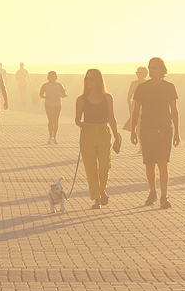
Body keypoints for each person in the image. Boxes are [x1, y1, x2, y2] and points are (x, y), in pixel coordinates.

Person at [129, 57, 180, 208]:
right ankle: (153, 192)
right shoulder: (142, 88)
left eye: (155, 68)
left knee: (163, 163)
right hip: (146, 129)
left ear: (162, 70)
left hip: (165, 130)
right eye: (150, 68)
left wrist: (177, 132)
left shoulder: (169, 87)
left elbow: (174, 110)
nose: (151, 71)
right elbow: (136, 111)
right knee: (149, 164)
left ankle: (164, 196)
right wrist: (133, 131)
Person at [75, 69, 123, 208]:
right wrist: (82, 124)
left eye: (92, 79)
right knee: (90, 168)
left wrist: (116, 137)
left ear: (98, 80)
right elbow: (77, 119)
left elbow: (112, 118)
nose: (89, 81)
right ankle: (97, 198)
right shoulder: (81, 99)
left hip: (103, 132)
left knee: (104, 166)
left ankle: (102, 189)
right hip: (88, 134)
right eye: (87, 79)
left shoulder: (107, 98)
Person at [39, 71, 67, 144]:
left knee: (56, 121)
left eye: (54, 77)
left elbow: (65, 94)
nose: (52, 78)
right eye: (51, 77)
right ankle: (50, 136)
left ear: (56, 77)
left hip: (57, 105)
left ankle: (55, 137)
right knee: (51, 120)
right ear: (48, 77)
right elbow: (40, 94)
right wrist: (45, 97)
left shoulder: (59, 85)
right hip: (48, 105)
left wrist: (60, 95)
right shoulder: (45, 85)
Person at [122, 66, 148, 145]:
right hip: (136, 107)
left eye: (140, 73)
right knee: (138, 127)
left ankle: (143, 146)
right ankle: (141, 146)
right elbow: (129, 96)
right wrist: (130, 107)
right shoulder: (134, 83)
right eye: (137, 73)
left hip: (146, 108)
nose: (138, 75)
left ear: (145, 74)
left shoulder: (148, 83)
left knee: (144, 127)